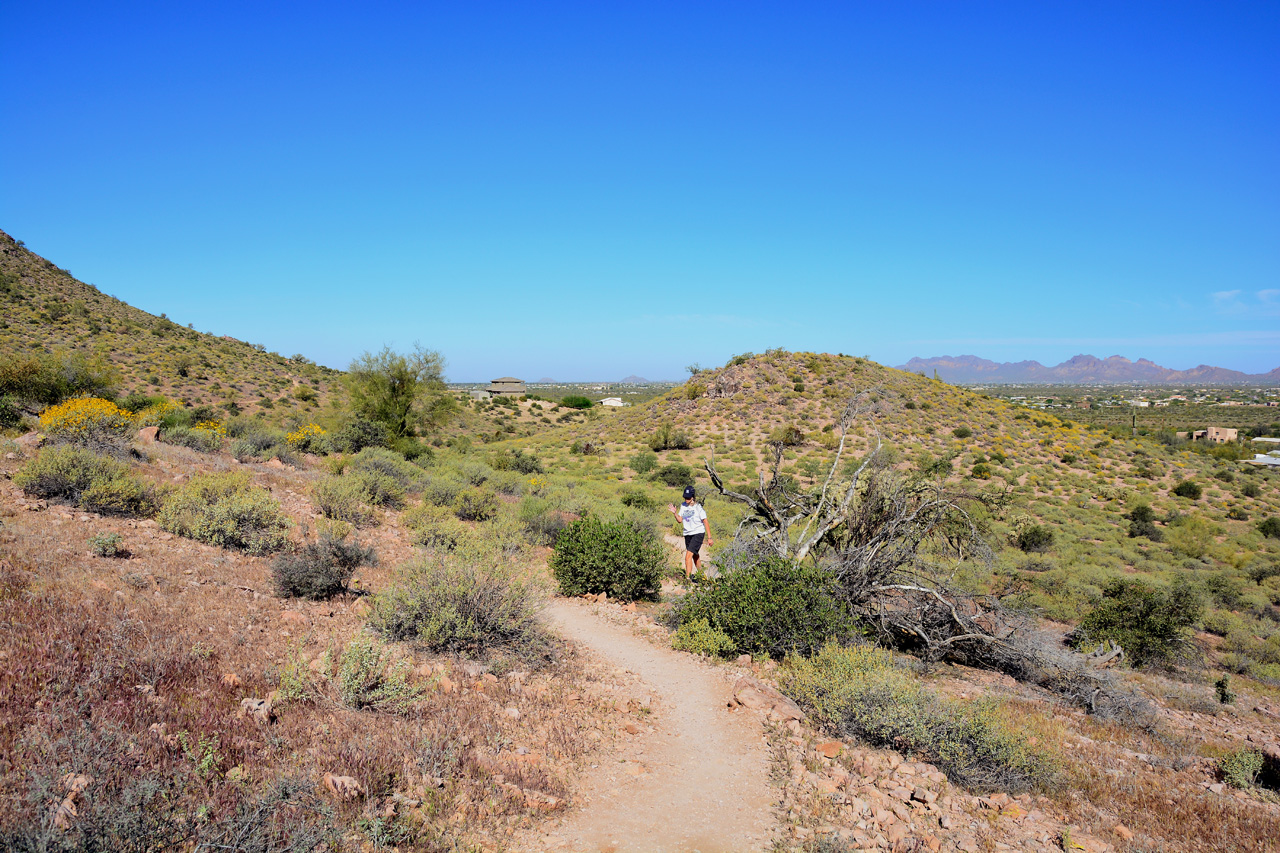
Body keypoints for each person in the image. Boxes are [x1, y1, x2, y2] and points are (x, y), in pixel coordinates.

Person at [668, 485, 712, 580]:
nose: (686, 499)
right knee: (695, 556)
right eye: (685, 497)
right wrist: (675, 513)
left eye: (688, 497)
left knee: (688, 556)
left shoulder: (698, 507)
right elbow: (680, 520)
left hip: (698, 533)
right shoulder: (683, 506)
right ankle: (702, 578)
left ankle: (687, 580)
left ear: (692, 497)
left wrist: (709, 537)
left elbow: (705, 521)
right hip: (687, 533)